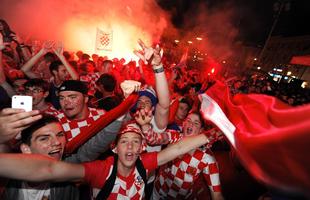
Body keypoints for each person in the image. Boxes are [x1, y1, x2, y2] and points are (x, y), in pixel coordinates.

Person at [0, 120, 212, 200]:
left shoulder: (144, 164)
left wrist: (214, 133)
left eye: (135, 142)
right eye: (124, 141)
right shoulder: (100, 170)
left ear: (141, 148)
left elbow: (179, 148)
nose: (129, 146)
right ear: (115, 147)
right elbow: (48, 169)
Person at [137, 111, 224, 200]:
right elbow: (154, 139)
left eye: (196, 123)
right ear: (183, 123)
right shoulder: (174, 136)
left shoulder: (208, 158)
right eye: (188, 120)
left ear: (201, 130)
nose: (191, 124)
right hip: (157, 193)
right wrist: (145, 126)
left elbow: (216, 194)